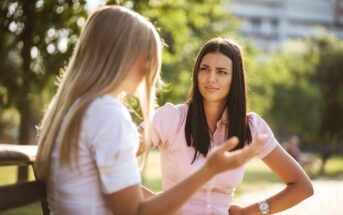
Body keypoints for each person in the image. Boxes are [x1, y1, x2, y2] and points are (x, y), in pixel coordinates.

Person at [35, 6, 266, 215]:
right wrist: (208, 170)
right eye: (148, 57)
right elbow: (138, 212)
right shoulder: (107, 114)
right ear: (122, 56)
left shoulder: (77, 108)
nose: (150, 69)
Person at [139, 37, 314, 215]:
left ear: (234, 79)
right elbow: (111, 163)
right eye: (204, 69)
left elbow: (302, 187)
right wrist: (157, 204)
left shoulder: (251, 128)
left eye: (221, 72)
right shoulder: (171, 118)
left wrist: (249, 212)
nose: (211, 78)